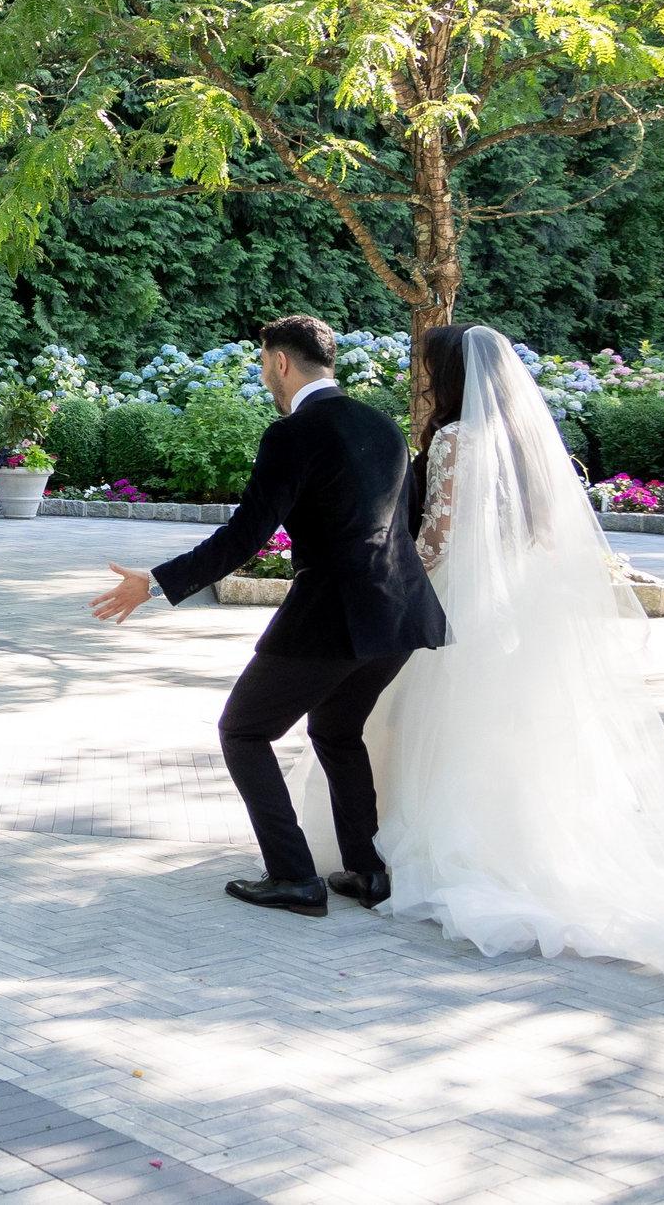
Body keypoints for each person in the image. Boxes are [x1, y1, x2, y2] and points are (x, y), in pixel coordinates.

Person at [303, 323, 664, 1064]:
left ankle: (419, 846)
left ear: (451, 376)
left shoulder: (454, 442)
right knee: (508, 732)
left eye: (431, 370)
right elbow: (542, 541)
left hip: (449, 605)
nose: (425, 381)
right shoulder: (527, 448)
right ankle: (520, 837)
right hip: (512, 608)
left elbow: (436, 541)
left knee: (414, 719)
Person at [89, 314, 445, 916]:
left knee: (243, 731)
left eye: (262, 365)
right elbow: (406, 525)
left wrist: (155, 583)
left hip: (333, 614)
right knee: (336, 730)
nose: (263, 377)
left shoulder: (293, 434)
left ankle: (294, 878)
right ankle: (368, 871)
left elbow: (245, 536)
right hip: (403, 615)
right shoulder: (383, 426)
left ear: (281, 362)